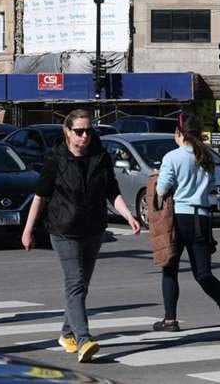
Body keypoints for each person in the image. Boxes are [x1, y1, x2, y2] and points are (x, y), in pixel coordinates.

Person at [21, 109, 140, 364]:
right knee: (75, 282)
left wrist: (128, 215)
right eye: (79, 131)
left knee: (81, 286)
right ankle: (84, 339)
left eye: (88, 131)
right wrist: (28, 230)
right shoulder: (55, 159)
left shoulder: (100, 157)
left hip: (94, 229)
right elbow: (40, 196)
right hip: (63, 230)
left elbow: (112, 192)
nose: (84, 136)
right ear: (67, 132)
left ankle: (67, 333)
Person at [153, 112, 220, 337]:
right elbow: (212, 184)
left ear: (180, 133)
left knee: (169, 269)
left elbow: (161, 191)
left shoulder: (172, 157)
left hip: (178, 218)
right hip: (202, 218)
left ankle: (170, 319)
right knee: (203, 274)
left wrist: (162, 179)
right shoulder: (207, 156)